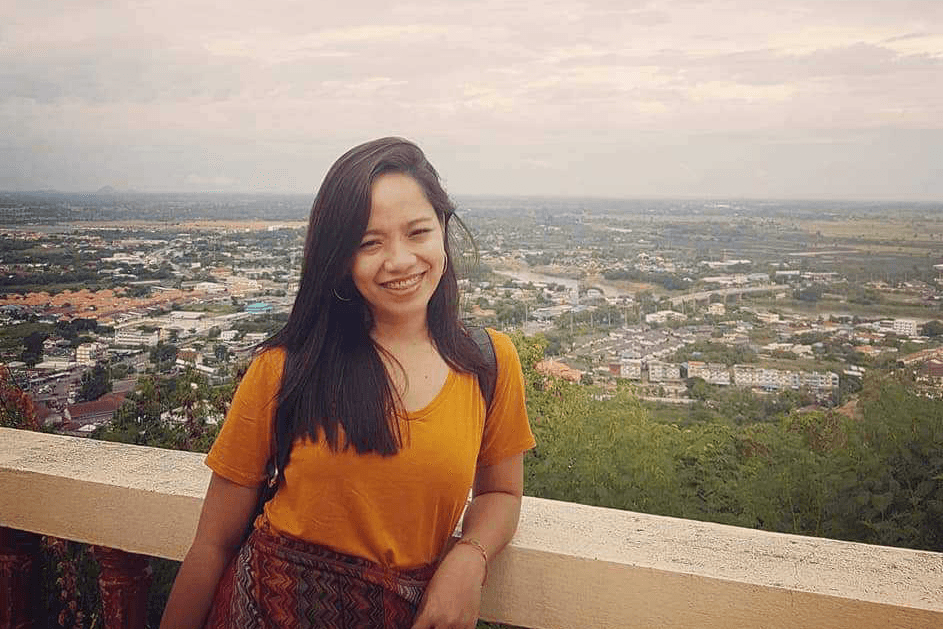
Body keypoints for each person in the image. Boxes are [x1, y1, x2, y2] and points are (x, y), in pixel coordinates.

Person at [159, 137, 535, 629]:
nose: (399, 260)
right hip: (259, 612)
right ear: (339, 256)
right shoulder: (286, 367)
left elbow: (501, 494)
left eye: (418, 232)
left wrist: (470, 555)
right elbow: (213, 543)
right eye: (369, 242)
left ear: (443, 229)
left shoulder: (487, 363)